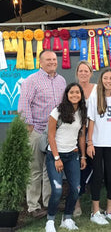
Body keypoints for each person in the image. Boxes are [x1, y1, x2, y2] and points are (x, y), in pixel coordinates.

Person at [18, 50, 66, 218]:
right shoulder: (32, 80)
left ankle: (48, 202)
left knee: (50, 169)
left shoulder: (61, 80)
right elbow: (24, 104)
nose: (52, 62)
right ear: (40, 62)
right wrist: (29, 127)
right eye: (48, 60)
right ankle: (33, 206)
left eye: (54, 59)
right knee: (35, 169)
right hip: (37, 130)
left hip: (55, 133)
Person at [44, 83, 87, 232]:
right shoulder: (57, 111)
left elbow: (81, 136)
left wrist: (83, 157)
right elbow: (50, 135)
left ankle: (67, 218)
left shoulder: (82, 112)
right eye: (71, 92)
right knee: (57, 190)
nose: (75, 95)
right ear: (66, 95)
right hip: (55, 155)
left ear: (81, 95)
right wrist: (57, 158)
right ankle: (50, 221)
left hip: (73, 155)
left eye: (77, 92)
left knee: (76, 188)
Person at [87, 68, 111, 225]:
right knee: (97, 176)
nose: (108, 81)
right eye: (106, 78)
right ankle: (95, 211)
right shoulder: (95, 96)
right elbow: (91, 121)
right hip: (97, 143)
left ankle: (109, 210)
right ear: (101, 79)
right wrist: (89, 142)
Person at [74, 60, 96, 217]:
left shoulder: (97, 89)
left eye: (86, 71)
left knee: (95, 167)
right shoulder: (73, 90)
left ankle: (96, 203)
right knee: (77, 169)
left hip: (95, 132)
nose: (83, 73)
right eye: (80, 71)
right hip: (75, 134)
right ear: (77, 73)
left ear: (91, 73)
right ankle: (76, 204)